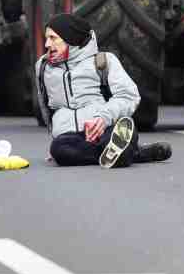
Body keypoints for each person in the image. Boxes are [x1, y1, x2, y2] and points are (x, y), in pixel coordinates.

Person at [35, 13, 172, 168]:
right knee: (59, 149)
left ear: (70, 38)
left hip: (105, 127)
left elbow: (128, 95)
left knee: (123, 131)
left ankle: (118, 150)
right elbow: (46, 107)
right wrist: (54, 136)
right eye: (47, 38)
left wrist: (103, 118)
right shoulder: (43, 66)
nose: (47, 44)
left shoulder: (102, 61)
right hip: (72, 136)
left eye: (53, 38)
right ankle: (130, 154)